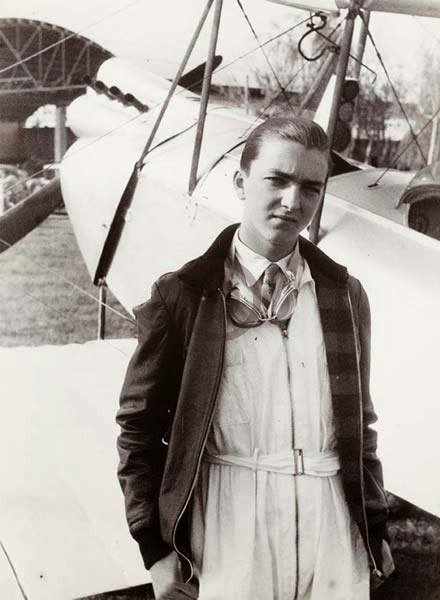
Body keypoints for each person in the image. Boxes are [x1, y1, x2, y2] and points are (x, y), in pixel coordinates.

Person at [116, 115, 394, 600]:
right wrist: (154, 547)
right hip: (230, 520)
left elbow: (359, 425)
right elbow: (138, 429)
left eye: (310, 188)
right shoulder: (183, 295)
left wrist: (374, 525)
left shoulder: (345, 295)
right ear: (241, 182)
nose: (293, 201)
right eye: (277, 180)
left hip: (330, 523)